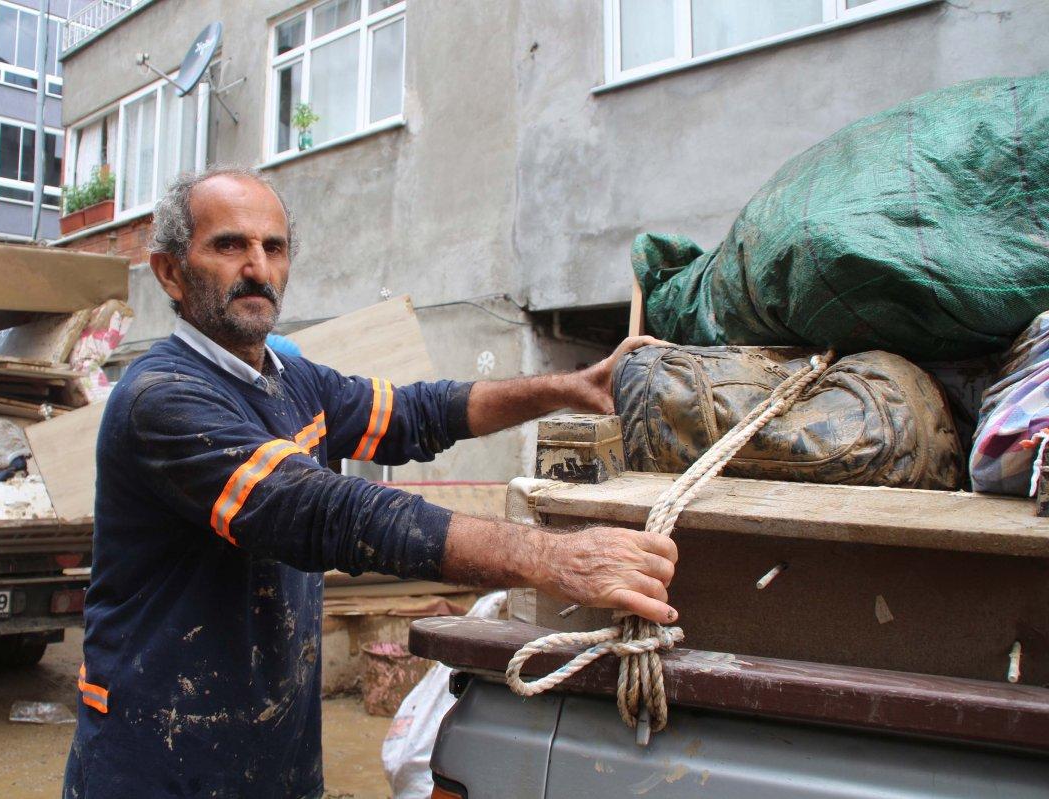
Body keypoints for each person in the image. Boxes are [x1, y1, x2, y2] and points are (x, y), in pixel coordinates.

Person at [62, 167, 678, 798]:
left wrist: (567, 388)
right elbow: (323, 513)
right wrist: (551, 556)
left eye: (273, 248)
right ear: (169, 271)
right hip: (158, 758)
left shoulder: (291, 378)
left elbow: (418, 413)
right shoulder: (161, 398)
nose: (258, 268)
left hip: (272, 752)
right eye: (229, 245)